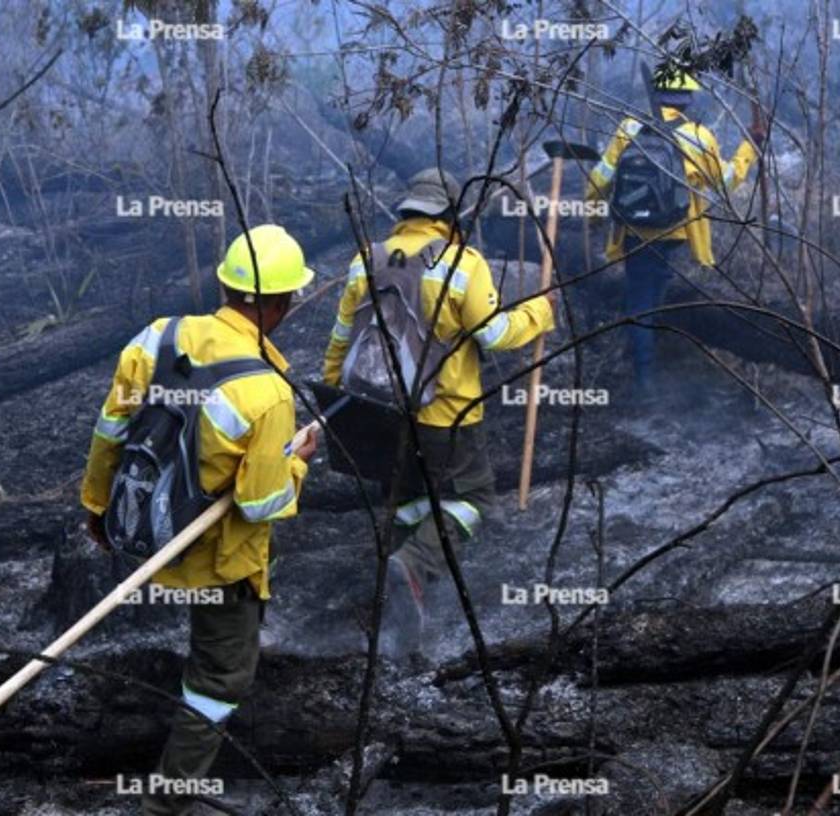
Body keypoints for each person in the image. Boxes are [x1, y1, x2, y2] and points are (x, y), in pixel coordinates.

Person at [81, 224, 319, 815]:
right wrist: (299, 462)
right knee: (217, 681)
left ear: (224, 285)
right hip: (218, 560)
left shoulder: (155, 339)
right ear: (276, 304)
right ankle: (166, 803)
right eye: (289, 299)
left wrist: (98, 508)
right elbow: (260, 504)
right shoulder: (267, 392)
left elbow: (110, 430)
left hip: (143, 531)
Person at [322, 167, 556, 653]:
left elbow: (342, 339)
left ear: (407, 213)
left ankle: (403, 607)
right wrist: (539, 311)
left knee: (406, 498)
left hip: (377, 410)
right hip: (446, 415)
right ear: (449, 216)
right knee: (473, 501)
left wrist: (335, 403)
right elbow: (493, 335)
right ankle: (415, 564)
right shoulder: (462, 264)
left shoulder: (367, 259)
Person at [586, 69, 765, 389]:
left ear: (657, 94)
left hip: (634, 233)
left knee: (641, 298)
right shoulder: (698, 136)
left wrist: (593, 215)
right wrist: (749, 147)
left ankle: (643, 367)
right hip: (676, 234)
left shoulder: (629, 128)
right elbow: (726, 183)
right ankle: (647, 372)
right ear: (688, 99)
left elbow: (600, 177)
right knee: (653, 296)